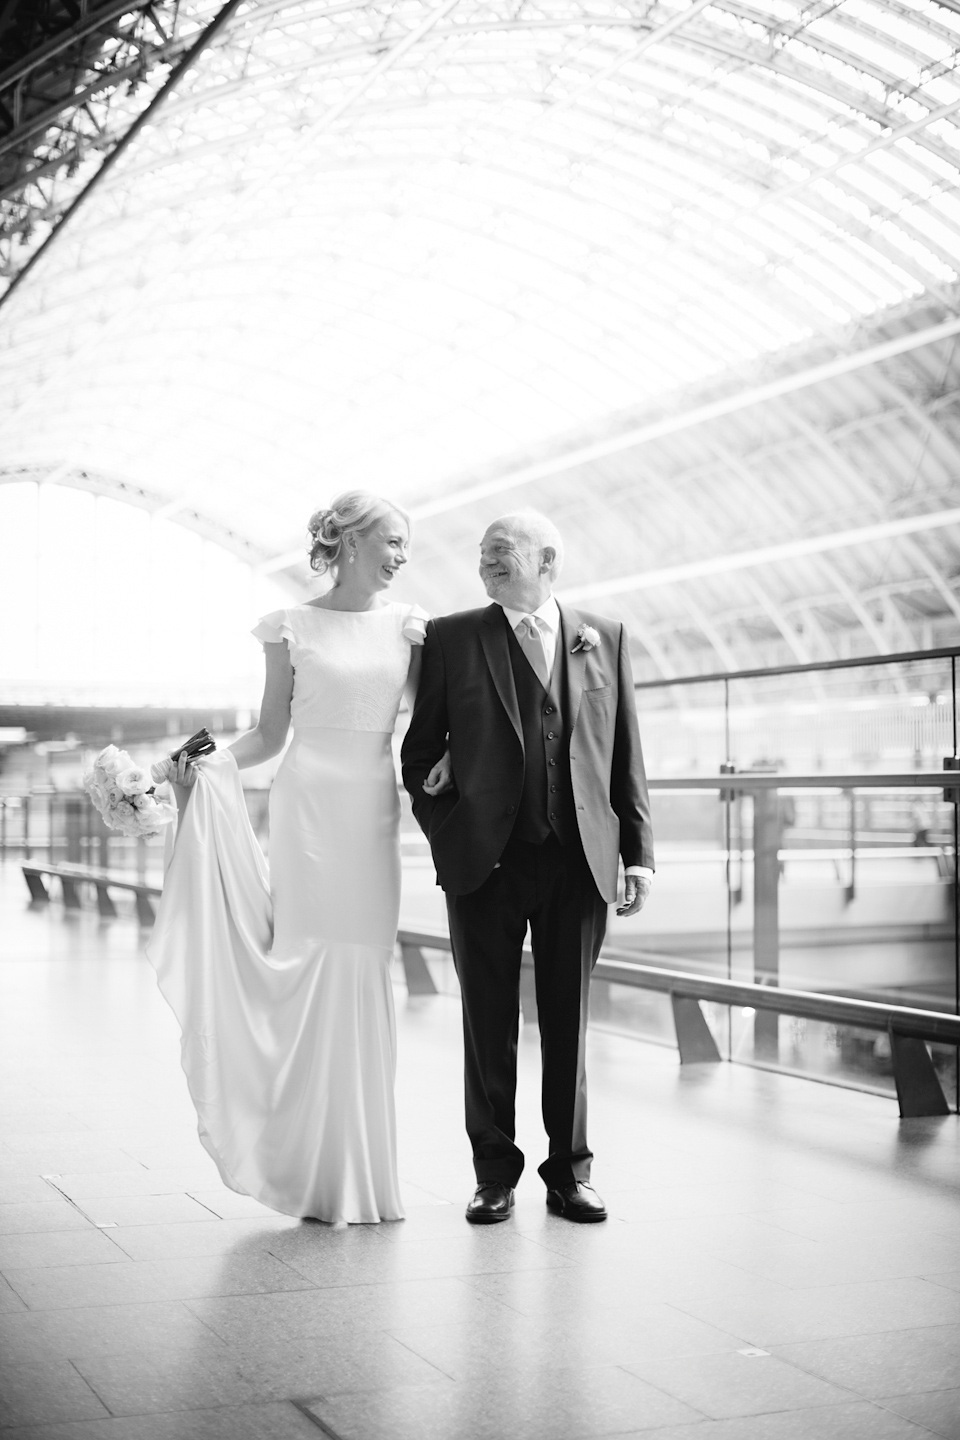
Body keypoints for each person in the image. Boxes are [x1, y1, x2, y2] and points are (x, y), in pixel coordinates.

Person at [147, 492, 449, 1226]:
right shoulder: (290, 629)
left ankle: (359, 1177)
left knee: (361, 968)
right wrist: (192, 760)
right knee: (307, 963)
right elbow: (267, 736)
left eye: (406, 543)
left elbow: (437, 723)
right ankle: (306, 1167)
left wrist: (449, 762)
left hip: (372, 815)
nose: (403, 554)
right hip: (306, 809)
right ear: (348, 542)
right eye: (393, 539)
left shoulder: (409, 628)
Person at [401, 509, 654, 1225]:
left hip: (579, 864)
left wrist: (638, 854)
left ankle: (569, 1173)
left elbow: (626, 750)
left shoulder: (603, 636)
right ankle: (493, 1174)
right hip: (484, 863)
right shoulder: (452, 637)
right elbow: (418, 757)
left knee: (569, 1022)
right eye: (484, 553)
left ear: (548, 562)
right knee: (487, 1022)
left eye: (502, 552)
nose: (487, 562)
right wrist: (447, 834)